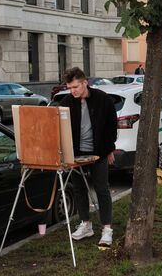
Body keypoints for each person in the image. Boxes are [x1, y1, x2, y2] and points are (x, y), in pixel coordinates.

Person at [60, 67, 118, 249]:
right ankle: (85, 224)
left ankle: (107, 229)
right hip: (76, 154)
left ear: (85, 82)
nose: (73, 91)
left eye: (76, 86)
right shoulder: (66, 102)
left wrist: (109, 149)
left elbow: (111, 127)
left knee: (102, 189)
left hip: (98, 153)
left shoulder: (103, 99)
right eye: (70, 87)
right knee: (78, 189)